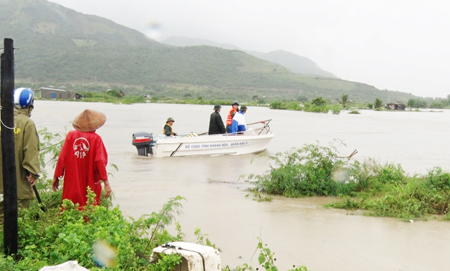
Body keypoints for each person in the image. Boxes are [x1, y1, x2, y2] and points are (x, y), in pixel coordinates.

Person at [52, 109, 112, 209]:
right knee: (89, 206)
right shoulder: (96, 139)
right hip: (90, 180)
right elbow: (100, 162)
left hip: (72, 180)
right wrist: (106, 183)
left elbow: (62, 157)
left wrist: (56, 176)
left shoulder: (71, 136)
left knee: (70, 206)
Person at [0, 88, 41, 224]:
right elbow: (31, 152)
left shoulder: (1, 118)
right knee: (18, 223)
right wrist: (33, 173)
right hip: (18, 187)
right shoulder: (27, 124)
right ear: (30, 105)